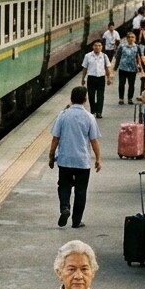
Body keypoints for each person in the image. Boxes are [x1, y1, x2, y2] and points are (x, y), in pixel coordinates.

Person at [49, 86, 102, 229]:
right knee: (81, 191)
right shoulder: (89, 117)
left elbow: (55, 138)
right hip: (82, 161)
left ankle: (65, 208)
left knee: (64, 186)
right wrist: (98, 159)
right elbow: (94, 140)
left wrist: (51, 155)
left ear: (71, 99)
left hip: (65, 160)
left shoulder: (63, 115)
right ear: (85, 100)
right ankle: (76, 221)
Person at [80, 40, 111, 119]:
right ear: (93, 46)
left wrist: (108, 78)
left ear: (102, 47)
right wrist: (83, 78)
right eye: (96, 45)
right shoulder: (88, 56)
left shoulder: (104, 56)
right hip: (91, 78)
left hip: (101, 78)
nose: (97, 47)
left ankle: (99, 112)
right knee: (91, 95)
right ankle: (93, 110)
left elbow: (107, 68)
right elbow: (85, 68)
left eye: (99, 46)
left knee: (100, 96)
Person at [113, 31, 145, 105]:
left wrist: (142, 68)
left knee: (131, 85)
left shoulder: (137, 47)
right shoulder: (122, 46)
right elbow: (117, 57)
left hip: (132, 69)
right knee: (121, 84)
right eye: (129, 37)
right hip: (122, 68)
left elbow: (140, 57)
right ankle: (121, 98)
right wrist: (114, 68)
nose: (131, 39)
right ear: (127, 39)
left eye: (132, 37)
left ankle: (130, 98)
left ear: (135, 38)